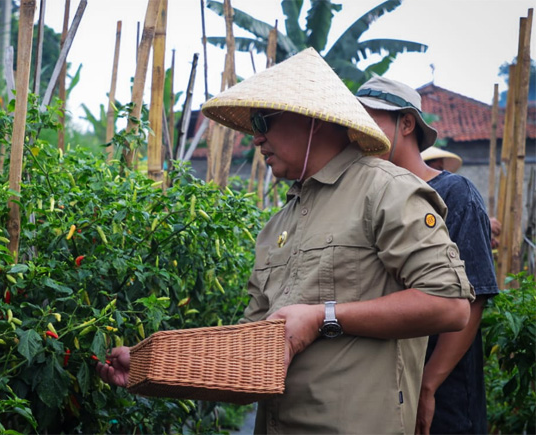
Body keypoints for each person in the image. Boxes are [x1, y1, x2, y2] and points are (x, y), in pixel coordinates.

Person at [98, 48, 473, 434]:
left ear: (312, 119)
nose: (256, 137)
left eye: (264, 120)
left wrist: (323, 317)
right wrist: (150, 368)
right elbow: (250, 359)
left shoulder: (385, 191)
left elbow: (450, 306)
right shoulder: (280, 222)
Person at [356, 75, 498, 435]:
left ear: (406, 124)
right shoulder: (370, 197)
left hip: (443, 389)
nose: (360, 133)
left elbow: (474, 297)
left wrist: (429, 384)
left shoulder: (454, 193)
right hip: (389, 382)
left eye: (372, 119)